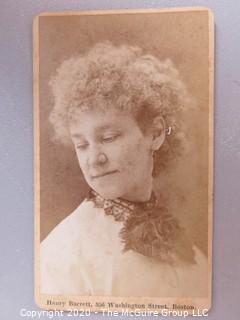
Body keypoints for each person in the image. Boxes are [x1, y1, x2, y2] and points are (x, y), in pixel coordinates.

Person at [40, 41, 207, 296]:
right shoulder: (61, 256)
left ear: (156, 133)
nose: (94, 159)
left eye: (108, 138)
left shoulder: (191, 254)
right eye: (81, 145)